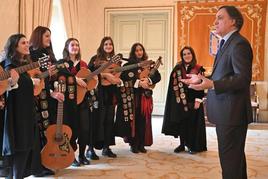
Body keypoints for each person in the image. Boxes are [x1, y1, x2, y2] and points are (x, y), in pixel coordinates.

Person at [181, 6, 253, 179]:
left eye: (220, 18)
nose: (215, 22)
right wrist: (200, 80)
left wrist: (212, 84)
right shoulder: (227, 43)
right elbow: (223, 74)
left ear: (233, 21)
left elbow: (243, 79)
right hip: (226, 112)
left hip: (232, 113)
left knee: (230, 163)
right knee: (233, 160)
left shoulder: (239, 43)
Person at [2, 33, 42, 179]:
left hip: (26, 111)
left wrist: (31, 82)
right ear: (15, 46)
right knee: (20, 148)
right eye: (23, 43)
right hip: (16, 113)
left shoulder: (22, 65)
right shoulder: (9, 64)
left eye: (27, 42)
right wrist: (27, 82)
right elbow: (7, 88)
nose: (27, 45)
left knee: (25, 148)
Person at [115, 43, 161, 153]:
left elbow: (157, 76)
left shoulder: (148, 64)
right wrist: (138, 83)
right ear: (133, 52)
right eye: (136, 50)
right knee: (133, 121)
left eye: (141, 50)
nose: (139, 52)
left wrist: (148, 81)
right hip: (132, 97)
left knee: (143, 121)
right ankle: (133, 144)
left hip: (145, 98)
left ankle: (141, 143)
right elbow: (124, 77)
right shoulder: (129, 65)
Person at [162, 46, 207, 154]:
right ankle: (182, 144)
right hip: (180, 102)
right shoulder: (177, 68)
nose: (187, 56)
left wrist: (198, 100)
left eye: (189, 53)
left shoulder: (198, 68)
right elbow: (172, 84)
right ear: (182, 56)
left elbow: (202, 85)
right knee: (182, 123)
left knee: (192, 124)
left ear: (192, 55)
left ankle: (191, 145)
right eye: (184, 54)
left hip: (193, 100)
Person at [29, 26, 58, 176]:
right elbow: (33, 76)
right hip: (37, 96)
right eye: (46, 36)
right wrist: (47, 73)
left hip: (47, 95)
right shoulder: (32, 54)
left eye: (50, 36)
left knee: (47, 130)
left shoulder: (47, 54)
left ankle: (46, 162)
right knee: (39, 130)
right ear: (39, 36)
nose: (49, 39)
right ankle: (37, 166)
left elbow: (46, 77)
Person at [87, 36, 121, 158]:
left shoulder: (116, 61)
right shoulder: (95, 59)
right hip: (98, 93)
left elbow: (119, 75)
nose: (108, 46)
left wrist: (117, 80)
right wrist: (105, 75)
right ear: (102, 46)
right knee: (96, 120)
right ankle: (90, 148)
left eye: (110, 44)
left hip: (111, 93)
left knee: (108, 121)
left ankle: (106, 147)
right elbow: (89, 73)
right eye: (106, 44)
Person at [61, 38, 91, 166]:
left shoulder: (83, 64)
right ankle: (71, 156)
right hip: (69, 102)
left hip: (83, 100)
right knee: (71, 130)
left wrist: (93, 80)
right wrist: (75, 79)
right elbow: (60, 78)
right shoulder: (62, 64)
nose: (75, 47)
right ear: (67, 47)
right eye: (72, 45)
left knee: (85, 128)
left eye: (77, 45)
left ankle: (82, 155)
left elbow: (90, 81)